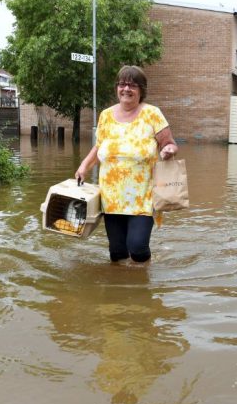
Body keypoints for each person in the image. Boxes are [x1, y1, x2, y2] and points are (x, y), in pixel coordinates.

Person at [75, 65, 178, 263]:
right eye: (122, 84)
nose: (126, 89)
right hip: (111, 197)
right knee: (117, 252)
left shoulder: (152, 114)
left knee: (137, 248)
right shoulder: (106, 115)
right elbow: (99, 148)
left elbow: (170, 143)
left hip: (143, 196)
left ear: (141, 90)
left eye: (132, 85)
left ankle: (143, 282)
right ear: (117, 88)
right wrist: (83, 167)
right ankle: (120, 289)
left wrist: (168, 150)